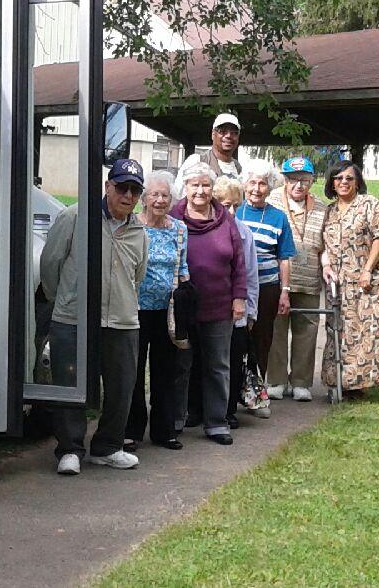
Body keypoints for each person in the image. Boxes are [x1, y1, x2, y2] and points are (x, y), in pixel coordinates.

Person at [41, 159, 149, 474]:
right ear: (107, 187)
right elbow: (51, 265)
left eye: (135, 190)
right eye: (122, 187)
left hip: (122, 321)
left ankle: (107, 447)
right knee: (69, 383)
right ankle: (69, 449)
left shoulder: (139, 229)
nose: (128, 196)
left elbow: (137, 275)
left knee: (121, 387)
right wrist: (63, 300)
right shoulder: (74, 218)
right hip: (73, 318)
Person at [171, 162, 248, 445]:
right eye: (195, 185)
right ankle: (175, 419)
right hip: (182, 307)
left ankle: (216, 423)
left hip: (220, 305)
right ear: (186, 188)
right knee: (181, 365)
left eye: (205, 185)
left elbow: (239, 262)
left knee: (218, 365)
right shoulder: (173, 216)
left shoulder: (225, 219)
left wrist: (239, 297)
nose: (201, 191)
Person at [127, 171, 191, 450]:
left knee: (166, 371)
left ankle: (164, 431)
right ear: (144, 198)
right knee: (134, 370)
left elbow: (183, 265)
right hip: (135, 309)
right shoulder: (132, 226)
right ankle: (131, 430)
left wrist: (187, 295)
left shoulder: (179, 228)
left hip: (168, 311)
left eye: (165, 195)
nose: (160, 200)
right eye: (154, 194)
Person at [320, 159, 379, 399]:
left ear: (357, 182)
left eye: (349, 178)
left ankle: (358, 385)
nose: (343, 183)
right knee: (338, 332)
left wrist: (368, 270)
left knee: (365, 333)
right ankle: (338, 382)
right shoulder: (329, 211)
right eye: (338, 178)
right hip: (337, 284)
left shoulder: (368, 204)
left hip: (365, 282)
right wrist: (327, 265)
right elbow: (324, 246)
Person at [235, 166, 295, 417]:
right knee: (237, 341)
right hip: (238, 287)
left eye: (262, 184)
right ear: (244, 185)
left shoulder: (278, 217)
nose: (256, 189)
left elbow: (285, 257)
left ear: (269, 188)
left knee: (262, 341)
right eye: (252, 183)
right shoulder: (235, 211)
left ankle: (256, 397)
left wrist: (285, 291)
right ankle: (232, 395)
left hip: (268, 288)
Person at [270, 156, 326, 402]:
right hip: (277, 278)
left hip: (310, 278)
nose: (299, 186)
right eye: (293, 180)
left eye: (304, 180)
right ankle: (276, 380)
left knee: (307, 330)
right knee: (277, 330)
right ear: (285, 180)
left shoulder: (322, 207)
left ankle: (302, 382)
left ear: (312, 181)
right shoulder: (271, 202)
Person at [213, 176, 261, 426]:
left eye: (234, 205)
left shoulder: (244, 232)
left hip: (237, 310)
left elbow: (252, 274)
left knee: (233, 361)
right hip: (211, 308)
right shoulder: (206, 227)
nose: (230, 210)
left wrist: (250, 311)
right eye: (224, 204)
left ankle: (229, 410)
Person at [175, 112, 243, 192]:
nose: (228, 136)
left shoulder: (238, 168)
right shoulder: (197, 161)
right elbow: (178, 195)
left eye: (234, 133)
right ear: (213, 134)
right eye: (222, 131)